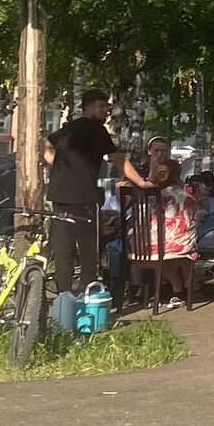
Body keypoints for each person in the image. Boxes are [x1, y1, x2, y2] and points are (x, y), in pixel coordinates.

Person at [45, 91, 143, 296]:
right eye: (101, 106)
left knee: (63, 249)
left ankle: (63, 295)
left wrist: (58, 166)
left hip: (59, 193)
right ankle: (87, 292)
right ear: (87, 108)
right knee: (89, 249)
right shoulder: (97, 130)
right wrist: (141, 182)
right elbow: (119, 160)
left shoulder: (69, 128)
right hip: (83, 196)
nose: (105, 110)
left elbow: (47, 145)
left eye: (106, 106)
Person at [126, 138, 196, 312]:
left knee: (164, 251)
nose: (160, 154)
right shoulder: (181, 195)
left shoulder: (144, 193)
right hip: (171, 248)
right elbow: (192, 220)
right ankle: (184, 291)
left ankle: (140, 292)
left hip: (142, 249)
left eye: (163, 151)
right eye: (156, 151)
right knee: (187, 251)